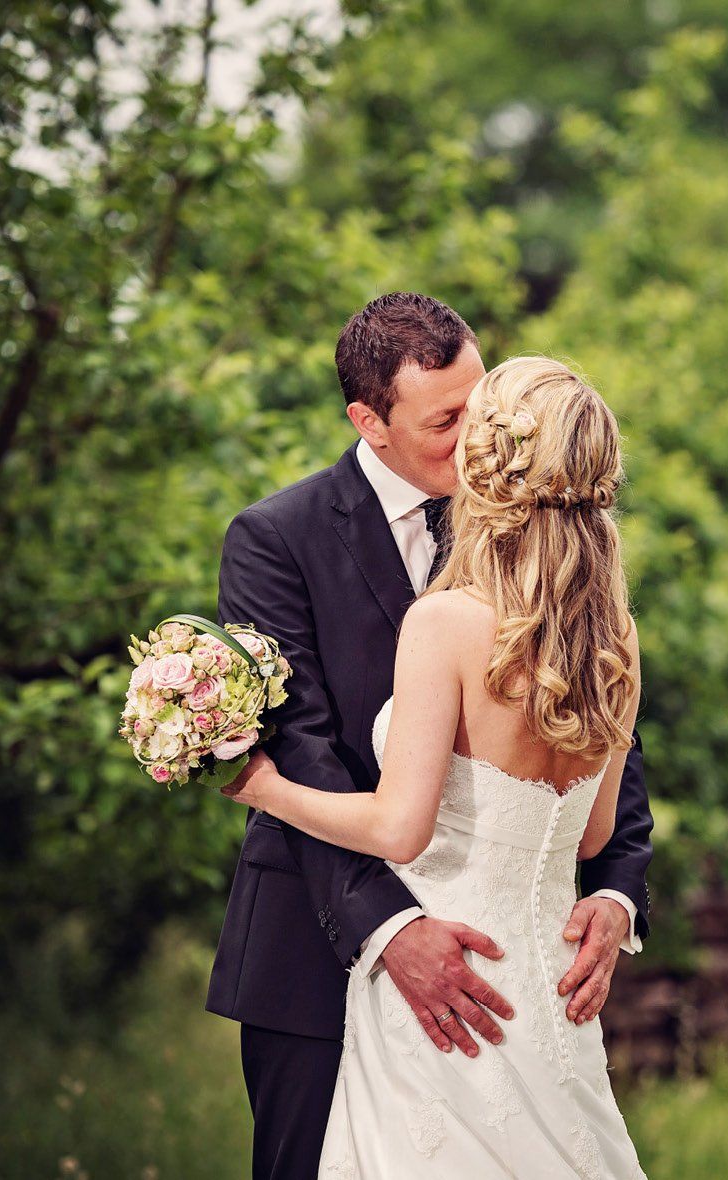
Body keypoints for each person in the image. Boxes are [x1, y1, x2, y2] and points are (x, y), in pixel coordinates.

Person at [208, 296, 653, 1179]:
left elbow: (606, 741)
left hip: (517, 974)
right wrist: (392, 926)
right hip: (316, 949)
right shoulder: (276, 539)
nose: (481, 434)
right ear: (369, 422)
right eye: (449, 420)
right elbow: (303, 746)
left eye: (482, 404)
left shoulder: (532, 532)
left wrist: (617, 894)